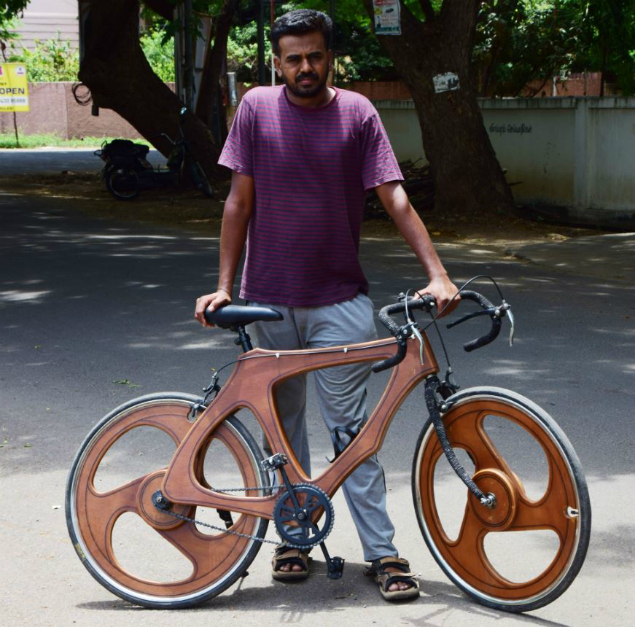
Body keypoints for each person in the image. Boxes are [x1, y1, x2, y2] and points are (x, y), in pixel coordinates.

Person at [195, 9, 459, 602]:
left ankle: (383, 552)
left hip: (339, 299)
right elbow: (238, 202)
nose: (305, 67)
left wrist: (437, 274)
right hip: (267, 302)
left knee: (352, 434)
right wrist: (225, 285)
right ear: (277, 61)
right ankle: (293, 538)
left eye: (314, 55)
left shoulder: (358, 113)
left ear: (329, 56)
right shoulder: (257, 109)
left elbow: (395, 196)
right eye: (293, 58)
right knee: (281, 430)